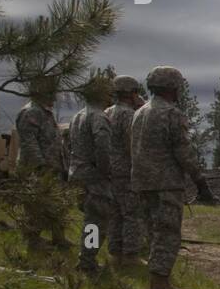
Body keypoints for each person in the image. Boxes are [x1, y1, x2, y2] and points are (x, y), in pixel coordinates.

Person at [132, 66, 211, 289]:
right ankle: (160, 285)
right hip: (165, 184)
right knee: (167, 234)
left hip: (143, 184)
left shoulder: (140, 112)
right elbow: (183, 152)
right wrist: (200, 181)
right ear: (172, 88)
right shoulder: (171, 114)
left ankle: (157, 282)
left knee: (153, 232)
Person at [15, 75, 72, 250]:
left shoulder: (44, 112)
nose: (55, 96)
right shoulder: (31, 112)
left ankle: (59, 237)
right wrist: (40, 166)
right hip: (38, 169)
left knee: (56, 204)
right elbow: (29, 142)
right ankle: (33, 241)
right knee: (35, 206)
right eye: (51, 92)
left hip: (52, 167)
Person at [69, 77, 115, 274]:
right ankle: (87, 262)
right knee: (95, 223)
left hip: (78, 174)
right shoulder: (99, 117)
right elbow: (103, 148)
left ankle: (86, 259)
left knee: (91, 220)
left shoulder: (77, 116)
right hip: (94, 177)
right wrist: (106, 172)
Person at [104, 75, 146, 267]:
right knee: (131, 214)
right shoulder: (128, 115)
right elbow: (132, 145)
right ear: (132, 93)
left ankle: (115, 254)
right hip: (126, 171)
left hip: (109, 171)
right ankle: (130, 256)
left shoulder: (107, 112)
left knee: (115, 214)